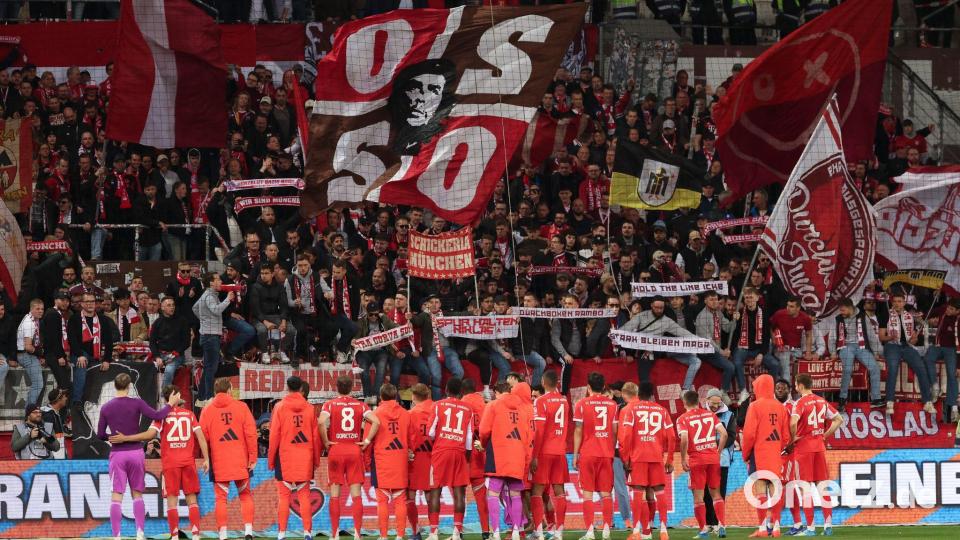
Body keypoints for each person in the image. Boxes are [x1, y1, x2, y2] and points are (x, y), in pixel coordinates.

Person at [111, 385, 210, 540]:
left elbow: (149, 435)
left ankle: (175, 536)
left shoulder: (162, 416)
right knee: (192, 500)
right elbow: (201, 437)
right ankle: (196, 535)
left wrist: (126, 438)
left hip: (171, 464)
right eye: (179, 394)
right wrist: (207, 459)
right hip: (188, 462)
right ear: (175, 396)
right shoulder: (190, 415)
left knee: (172, 502)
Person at [98, 374, 179, 540]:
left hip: (118, 454)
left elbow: (100, 434)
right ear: (129, 386)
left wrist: (113, 438)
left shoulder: (106, 407)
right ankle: (140, 533)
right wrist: (170, 404)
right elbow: (158, 416)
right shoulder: (137, 403)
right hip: (136, 453)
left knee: (116, 496)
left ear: (115, 386)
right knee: (137, 494)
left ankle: (116, 536)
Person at [320, 374, 381, 540]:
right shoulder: (361, 405)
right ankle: (357, 534)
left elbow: (320, 422)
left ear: (337, 387)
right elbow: (376, 422)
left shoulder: (329, 404)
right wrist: (367, 441)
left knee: (335, 494)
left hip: (336, 450)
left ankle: (334, 534)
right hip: (354, 449)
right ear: (351, 388)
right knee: (356, 494)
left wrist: (326, 441)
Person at [199, 377, 258, 540]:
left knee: (221, 499)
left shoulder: (207, 410)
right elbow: (251, 434)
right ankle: (248, 532)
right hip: (241, 460)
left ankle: (223, 535)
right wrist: (253, 457)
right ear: (230, 390)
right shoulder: (242, 407)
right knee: (245, 495)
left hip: (219, 462)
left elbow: (203, 438)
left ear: (214, 391)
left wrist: (206, 458)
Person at [788, 374, 843, 536]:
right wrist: (824, 436)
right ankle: (828, 526)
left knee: (805, 489)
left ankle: (811, 528)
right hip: (819, 448)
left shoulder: (799, 403)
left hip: (803, 449)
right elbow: (839, 419)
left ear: (800, 385)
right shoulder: (822, 401)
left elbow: (793, 422)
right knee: (822, 487)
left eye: (796, 385)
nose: (795, 388)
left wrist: (793, 438)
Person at [619, 381, 674, 540]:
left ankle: (637, 531)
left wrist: (626, 457)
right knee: (659, 492)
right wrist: (670, 459)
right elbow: (671, 436)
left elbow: (626, 435)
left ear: (639, 393)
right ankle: (663, 530)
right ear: (652, 395)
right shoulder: (662, 410)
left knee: (638, 492)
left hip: (638, 457)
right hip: (656, 456)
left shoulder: (631, 409)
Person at [268, 376, 321, 540]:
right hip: (305, 457)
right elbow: (316, 437)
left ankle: (281, 533)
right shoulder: (310, 408)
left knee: (284, 497)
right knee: (304, 497)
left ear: (287, 388)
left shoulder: (279, 407)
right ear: (301, 389)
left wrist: (271, 459)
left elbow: (274, 435)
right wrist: (316, 459)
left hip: (285, 458)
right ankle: (307, 533)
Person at [478, 380, 532, 540]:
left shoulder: (493, 405)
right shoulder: (522, 408)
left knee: (493, 494)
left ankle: (495, 533)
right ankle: (516, 531)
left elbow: (483, 430)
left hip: (498, 454)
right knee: (515, 494)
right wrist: (525, 458)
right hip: (517, 455)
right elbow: (527, 436)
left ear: (496, 392)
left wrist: (483, 444)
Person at [740, 374, 790, 538]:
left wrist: (746, 454)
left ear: (759, 387)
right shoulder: (781, 407)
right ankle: (776, 527)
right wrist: (776, 448)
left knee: (760, 488)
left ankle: (762, 528)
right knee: (775, 488)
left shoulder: (754, 406)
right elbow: (786, 436)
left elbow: (749, 434)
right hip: (775, 454)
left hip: (759, 453)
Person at [676, 390, 728, 539]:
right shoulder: (710, 415)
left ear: (684, 402)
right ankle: (721, 525)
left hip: (697, 460)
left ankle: (704, 530)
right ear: (698, 401)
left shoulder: (682, 419)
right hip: (713, 459)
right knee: (716, 493)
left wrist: (683, 459)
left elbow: (684, 439)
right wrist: (718, 451)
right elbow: (724, 434)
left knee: (698, 497)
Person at [427, 377, 475, 540]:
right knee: (459, 493)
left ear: (446, 390)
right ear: (461, 392)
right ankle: (456, 533)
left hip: (441, 451)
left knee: (435, 491)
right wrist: (466, 457)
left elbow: (430, 432)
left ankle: (434, 533)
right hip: (459, 452)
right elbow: (469, 437)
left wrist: (439, 441)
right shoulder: (468, 408)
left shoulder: (437, 405)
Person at [621, 297, 702, 391]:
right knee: (646, 361)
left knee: (696, 360)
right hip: (644, 349)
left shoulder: (666, 321)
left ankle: (685, 390)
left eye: (661, 308)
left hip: (660, 349)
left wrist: (700, 341)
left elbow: (682, 332)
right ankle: (645, 391)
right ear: (651, 305)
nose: (659, 310)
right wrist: (615, 334)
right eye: (656, 307)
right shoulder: (641, 316)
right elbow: (625, 329)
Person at [572, 372, 618, 540]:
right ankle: (606, 530)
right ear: (604, 386)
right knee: (606, 493)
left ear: (588, 387)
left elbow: (578, 430)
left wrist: (575, 454)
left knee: (587, 493)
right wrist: (610, 448)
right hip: (606, 453)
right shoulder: (613, 405)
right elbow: (615, 431)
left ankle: (590, 531)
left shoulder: (581, 404)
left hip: (588, 453)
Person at [880, 292, 934, 415]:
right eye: (895, 301)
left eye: (900, 301)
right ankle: (889, 402)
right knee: (893, 369)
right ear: (891, 302)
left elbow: (913, 339)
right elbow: (881, 337)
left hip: (907, 347)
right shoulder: (886, 314)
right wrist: (890, 337)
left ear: (904, 302)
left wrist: (914, 339)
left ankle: (927, 402)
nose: (897, 304)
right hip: (892, 346)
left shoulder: (909, 316)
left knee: (921, 368)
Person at [531, 370, 570, 540]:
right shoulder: (564, 401)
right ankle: (559, 533)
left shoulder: (540, 401)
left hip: (544, 451)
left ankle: (539, 533)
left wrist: (534, 456)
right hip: (560, 451)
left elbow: (539, 431)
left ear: (543, 382)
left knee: (537, 491)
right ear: (557, 383)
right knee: (559, 491)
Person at [371, 382, 411, 540]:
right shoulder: (406, 414)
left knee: (382, 501)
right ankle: (400, 536)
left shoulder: (375, 414)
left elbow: (368, 438)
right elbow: (412, 438)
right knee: (400, 500)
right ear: (396, 396)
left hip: (381, 461)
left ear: (381, 396)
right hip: (400, 460)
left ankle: (383, 536)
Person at [828, 298, 884, 410]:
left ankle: (875, 399)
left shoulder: (863, 317)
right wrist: (833, 352)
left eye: (843, 310)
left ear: (850, 308)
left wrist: (877, 352)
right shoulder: (837, 319)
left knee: (875, 368)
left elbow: (871, 335)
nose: (841, 312)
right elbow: (832, 337)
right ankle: (842, 399)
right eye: (840, 310)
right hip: (845, 346)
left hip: (861, 347)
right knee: (848, 369)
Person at [732, 288, 781, 403]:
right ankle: (743, 391)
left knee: (775, 365)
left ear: (757, 298)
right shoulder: (739, 313)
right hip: (743, 347)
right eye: (746, 297)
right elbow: (734, 334)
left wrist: (761, 354)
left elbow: (766, 337)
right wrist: (735, 321)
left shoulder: (764, 313)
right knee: (737, 363)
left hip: (759, 348)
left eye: (751, 297)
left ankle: (770, 391)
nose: (749, 299)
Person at [68, 292, 117, 406]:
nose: (90, 304)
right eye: (87, 301)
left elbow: (109, 341)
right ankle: (76, 402)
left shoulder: (103, 319)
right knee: (81, 367)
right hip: (80, 353)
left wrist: (107, 359)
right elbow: (72, 340)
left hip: (96, 354)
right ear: (81, 304)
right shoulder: (74, 318)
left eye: (92, 301)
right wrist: (80, 355)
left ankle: (100, 404)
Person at [193, 272, 234, 404]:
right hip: (210, 336)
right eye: (218, 279)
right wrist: (228, 299)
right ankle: (209, 398)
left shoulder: (207, 294)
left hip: (208, 335)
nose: (221, 281)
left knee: (208, 368)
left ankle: (201, 398)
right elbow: (216, 310)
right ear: (211, 283)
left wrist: (204, 319)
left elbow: (195, 308)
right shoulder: (210, 296)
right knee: (211, 369)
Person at [461, 378, 491, 537]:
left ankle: (457, 531)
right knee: (481, 496)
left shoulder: (461, 405)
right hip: (480, 454)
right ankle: (486, 531)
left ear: (463, 390)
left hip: (463, 456)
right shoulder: (485, 405)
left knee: (459, 494)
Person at [353, 301, 400, 400]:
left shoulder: (384, 319)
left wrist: (406, 327)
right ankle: (368, 397)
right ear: (367, 313)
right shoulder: (361, 322)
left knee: (381, 371)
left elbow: (396, 327)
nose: (374, 317)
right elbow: (356, 336)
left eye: (376, 314)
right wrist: (354, 341)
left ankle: (376, 397)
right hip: (365, 352)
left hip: (381, 351)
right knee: (364, 372)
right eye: (371, 315)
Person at [924, 298, 960, 422]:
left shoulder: (958, 321)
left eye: (951, 309)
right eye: (948, 307)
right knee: (928, 358)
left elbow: (959, 345)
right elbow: (929, 313)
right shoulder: (943, 309)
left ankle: (953, 407)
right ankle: (935, 386)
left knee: (952, 374)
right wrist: (928, 318)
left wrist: (959, 366)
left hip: (952, 350)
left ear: (958, 311)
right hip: (937, 346)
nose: (948, 310)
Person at [407, 383, 434, 539]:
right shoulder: (436, 410)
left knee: (409, 496)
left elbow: (406, 437)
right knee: (431, 497)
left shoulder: (410, 414)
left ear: (413, 396)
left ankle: (416, 532)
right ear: (427, 395)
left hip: (414, 459)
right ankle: (433, 532)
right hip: (432, 459)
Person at [769, 296, 815, 384]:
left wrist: (808, 352)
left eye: (791, 306)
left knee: (798, 364)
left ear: (798, 308)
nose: (788, 308)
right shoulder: (779, 314)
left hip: (797, 350)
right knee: (785, 359)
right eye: (787, 305)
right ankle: (787, 389)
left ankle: (794, 388)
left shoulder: (805, 318)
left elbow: (809, 335)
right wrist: (774, 339)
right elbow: (771, 327)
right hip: (781, 348)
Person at [149, 297, 192, 388]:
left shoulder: (182, 321)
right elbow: (152, 342)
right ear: (162, 307)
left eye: (173, 305)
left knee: (169, 370)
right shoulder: (157, 322)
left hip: (177, 356)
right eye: (169, 305)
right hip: (161, 354)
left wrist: (176, 353)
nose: (172, 307)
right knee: (148, 368)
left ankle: (164, 395)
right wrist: (157, 357)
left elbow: (186, 342)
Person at [16, 299, 46, 408]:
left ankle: (30, 411)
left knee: (38, 384)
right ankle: (29, 413)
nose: (40, 311)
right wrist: (40, 353)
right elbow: (28, 347)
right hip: (26, 355)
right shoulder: (29, 323)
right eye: (37, 309)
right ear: (31, 309)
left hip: (27, 355)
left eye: (42, 309)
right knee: (38, 385)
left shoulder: (32, 319)